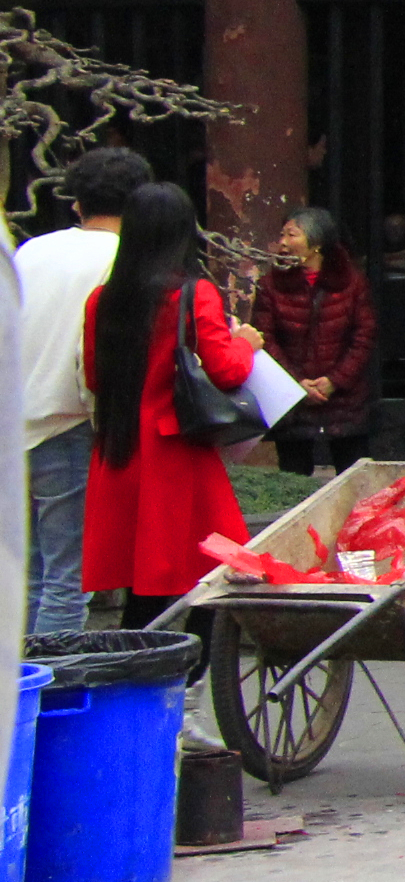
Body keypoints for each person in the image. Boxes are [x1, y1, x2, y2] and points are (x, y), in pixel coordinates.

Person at [80, 181, 267, 630]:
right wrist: (245, 344)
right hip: (177, 456)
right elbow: (225, 370)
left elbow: (93, 378)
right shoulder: (193, 293)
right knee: (206, 577)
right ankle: (191, 684)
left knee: (141, 591)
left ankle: (139, 682)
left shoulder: (102, 300)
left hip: (121, 454)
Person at [17, 147, 147, 636]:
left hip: (16, 424)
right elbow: (91, 359)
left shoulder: (33, 251)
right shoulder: (124, 261)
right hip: (72, 423)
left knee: (30, 574)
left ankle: (20, 691)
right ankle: (53, 694)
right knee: (68, 580)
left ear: (77, 203)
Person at [252, 206, 377, 476]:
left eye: (292, 235)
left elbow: (364, 336)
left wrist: (335, 381)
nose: (283, 243)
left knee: (355, 479)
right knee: (293, 479)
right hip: (293, 399)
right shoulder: (270, 285)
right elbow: (265, 339)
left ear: (317, 245)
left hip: (345, 401)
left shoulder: (352, 283)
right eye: (282, 235)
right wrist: (296, 384)